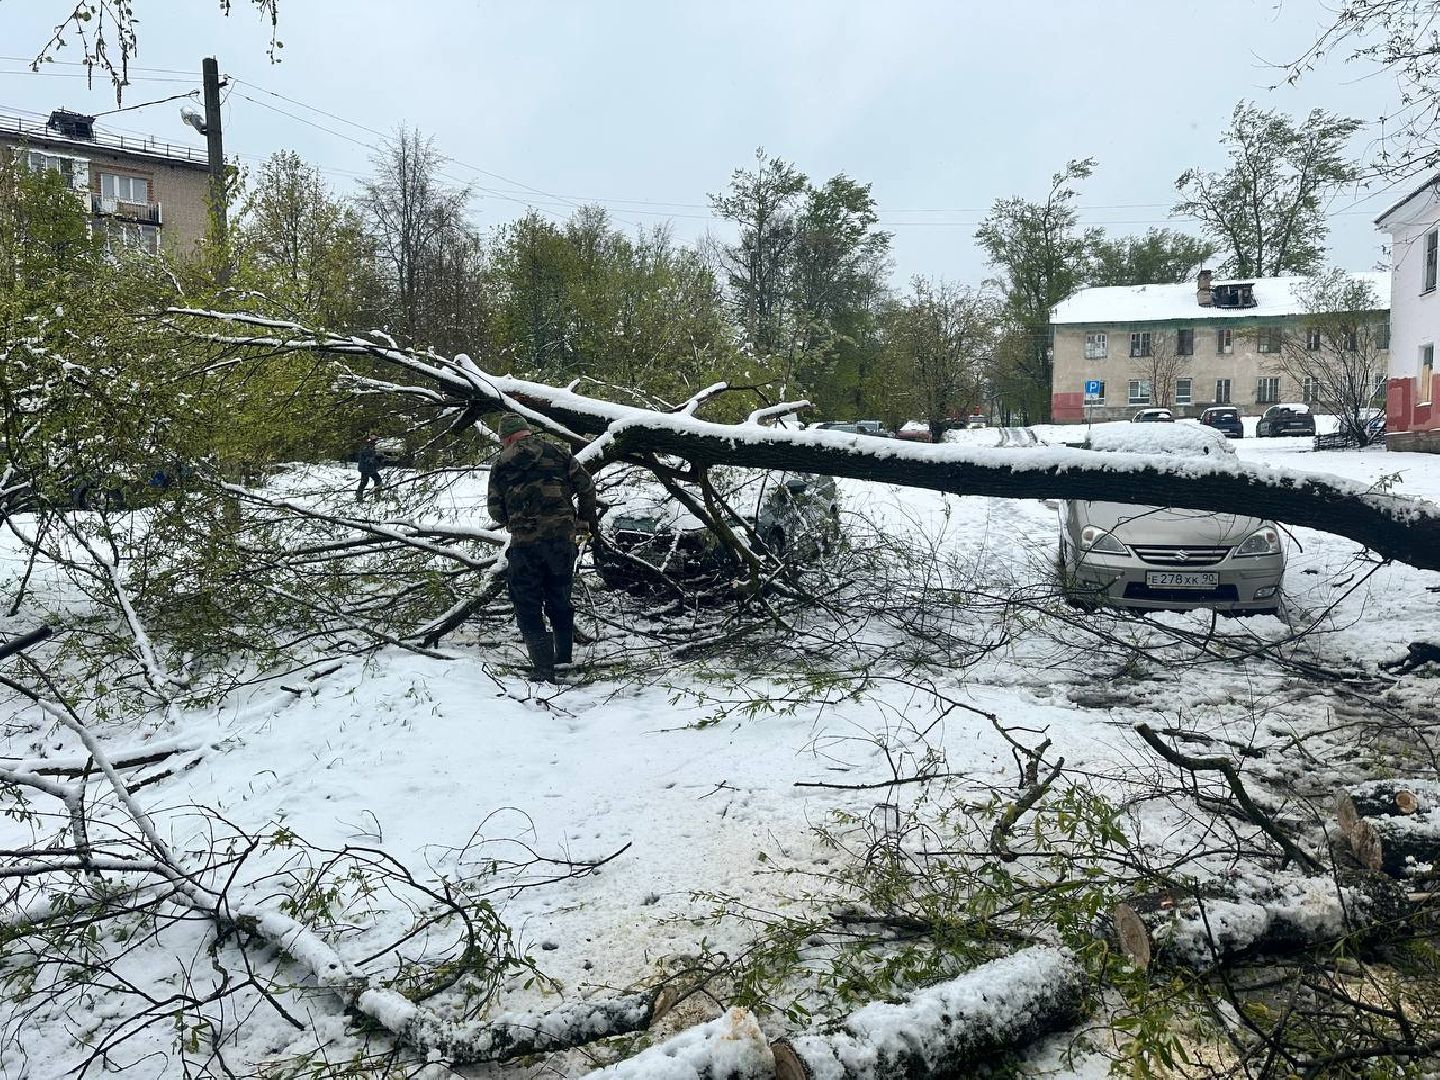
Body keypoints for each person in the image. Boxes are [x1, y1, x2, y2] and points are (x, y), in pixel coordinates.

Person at [487, 413, 599, 681]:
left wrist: (515, 518)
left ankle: (543, 669)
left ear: (508, 437)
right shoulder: (559, 452)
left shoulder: (502, 463)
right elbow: (587, 488)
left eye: (502, 440)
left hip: (525, 545)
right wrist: (584, 522)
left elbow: (495, 510)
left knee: (527, 604)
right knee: (560, 599)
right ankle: (563, 659)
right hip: (561, 542)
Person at [356, 433, 383, 501]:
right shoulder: (368, 445)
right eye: (375, 437)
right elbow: (368, 458)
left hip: (366, 467)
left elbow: (371, 456)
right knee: (378, 480)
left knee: (365, 481)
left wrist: (379, 457)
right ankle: (376, 495)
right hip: (367, 467)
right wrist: (377, 460)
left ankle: (359, 495)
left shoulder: (370, 444)